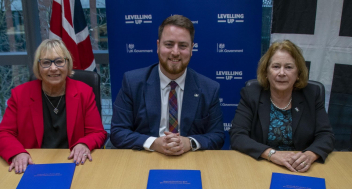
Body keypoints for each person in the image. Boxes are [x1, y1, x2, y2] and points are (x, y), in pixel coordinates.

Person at [110, 15, 224, 155]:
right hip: (145, 158)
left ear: (191, 49)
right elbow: (118, 132)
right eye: (169, 44)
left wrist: (190, 142)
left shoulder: (209, 88)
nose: (175, 52)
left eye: (182, 46)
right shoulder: (132, 82)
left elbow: (217, 136)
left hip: (190, 159)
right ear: (158, 46)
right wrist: (153, 143)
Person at [0, 39, 107, 173]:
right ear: (38, 67)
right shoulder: (20, 94)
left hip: (74, 163)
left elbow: (97, 132)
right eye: (46, 63)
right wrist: (17, 153)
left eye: (59, 61)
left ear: (67, 63)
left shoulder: (84, 92)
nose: (53, 68)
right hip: (34, 164)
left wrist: (84, 144)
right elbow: (3, 133)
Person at [230, 40, 334, 172]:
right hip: (261, 165)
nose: (282, 73)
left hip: (300, 167)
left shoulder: (312, 94)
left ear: (298, 74)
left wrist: (310, 155)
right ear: (266, 72)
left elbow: (326, 135)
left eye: (289, 67)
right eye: (276, 66)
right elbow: (237, 135)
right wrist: (272, 154)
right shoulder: (252, 94)